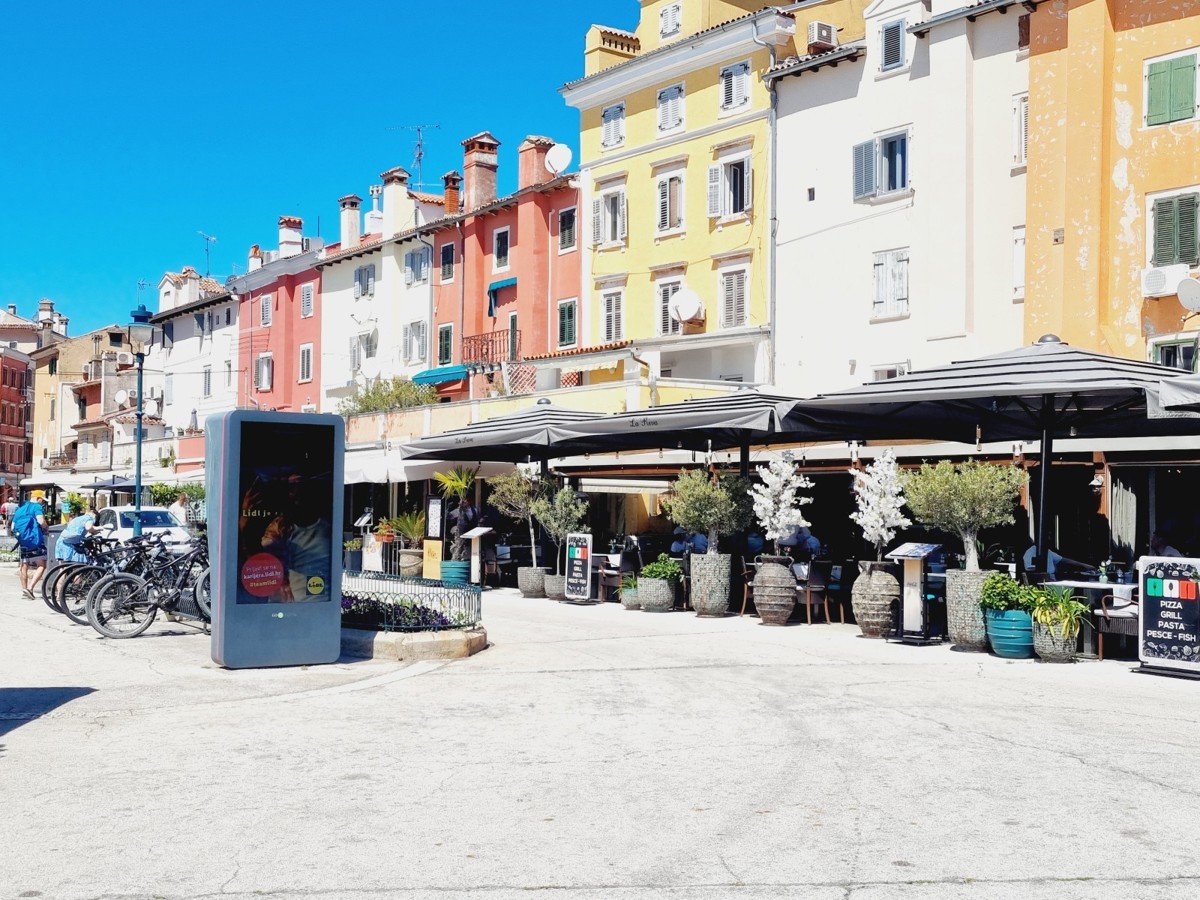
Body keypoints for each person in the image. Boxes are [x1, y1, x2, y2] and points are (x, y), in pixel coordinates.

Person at [13, 495, 48, 599]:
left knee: (24, 565)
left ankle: (24, 589)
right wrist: (46, 527)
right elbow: (41, 521)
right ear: (38, 498)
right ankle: (30, 588)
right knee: (41, 564)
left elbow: (13, 527)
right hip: (35, 540)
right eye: (42, 500)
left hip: (23, 541)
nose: (42, 503)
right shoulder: (36, 507)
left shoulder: (20, 509)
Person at [1022, 542, 1088, 578]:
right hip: (1039, 581)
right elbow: (1029, 569)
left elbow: (1065, 560)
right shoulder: (1029, 552)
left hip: (1052, 579)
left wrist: (1085, 565)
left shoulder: (1048, 551)